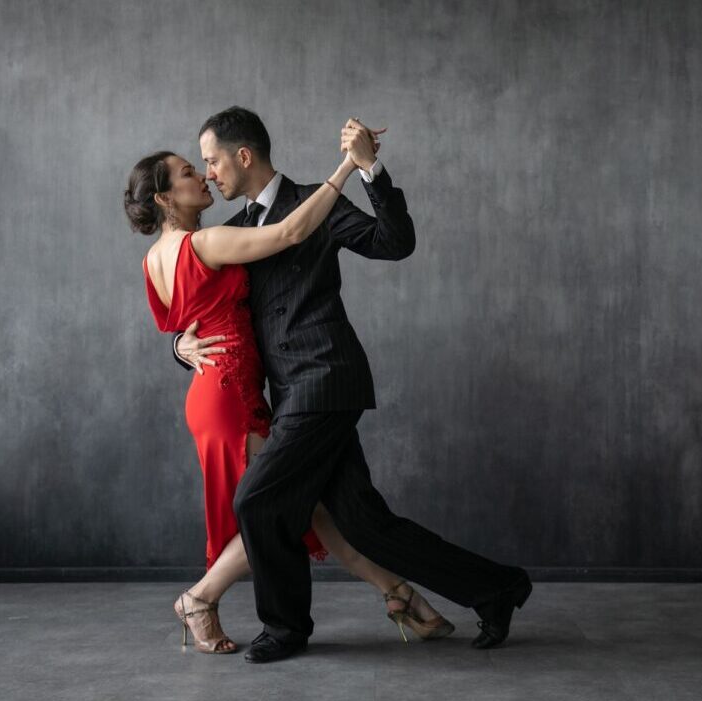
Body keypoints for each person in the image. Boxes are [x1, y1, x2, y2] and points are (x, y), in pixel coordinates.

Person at [174, 107, 531, 664]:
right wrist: (179, 347)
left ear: (243, 156)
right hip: (291, 394)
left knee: (259, 498)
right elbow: (203, 311)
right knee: (365, 524)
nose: (209, 173)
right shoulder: (234, 231)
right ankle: (497, 589)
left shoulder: (316, 201)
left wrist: (370, 172)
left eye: (213, 161)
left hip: (326, 379)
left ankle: (286, 628)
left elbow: (395, 242)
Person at [124, 130, 454, 655]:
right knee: (278, 504)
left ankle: (399, 595)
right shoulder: (206, 242)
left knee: (308, 504)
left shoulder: (156, 259)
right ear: (165, 197)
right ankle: (200, 598)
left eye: (205, 163)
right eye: (191, 171)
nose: (204, 174)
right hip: (229, 392)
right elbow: (291, 230)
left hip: (218, 391)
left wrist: (181, 347)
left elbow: (185, 323)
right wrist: (346, 168)